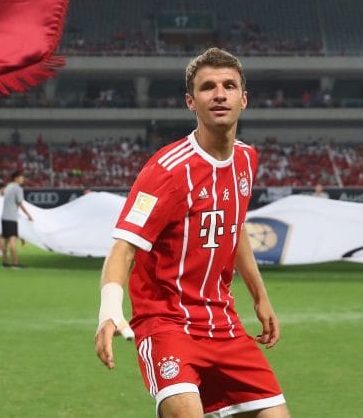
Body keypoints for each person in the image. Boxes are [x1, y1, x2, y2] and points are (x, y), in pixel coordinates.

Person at [95, 48, 288, 418]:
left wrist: (260, 297)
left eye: (229, 86)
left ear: (243, 99)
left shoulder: (247, 159)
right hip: (167, 324)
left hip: (223, 323)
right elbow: (124, 248)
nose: (219, 94)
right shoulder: (166, 171)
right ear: (190, 101)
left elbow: (235, 228)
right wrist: (108, 310)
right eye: (208, 87)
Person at [0, 171, 33, 268]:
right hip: (12, 217)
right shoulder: (18, 188)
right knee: (13, 240)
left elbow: (2, 193)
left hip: (4, 217)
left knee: (5, 241)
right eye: (21, 178)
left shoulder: (8, 186)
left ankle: (4, 261)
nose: (23, 180)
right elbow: (20, 203)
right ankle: (15, 262)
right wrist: (28, 215)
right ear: (16, 178)